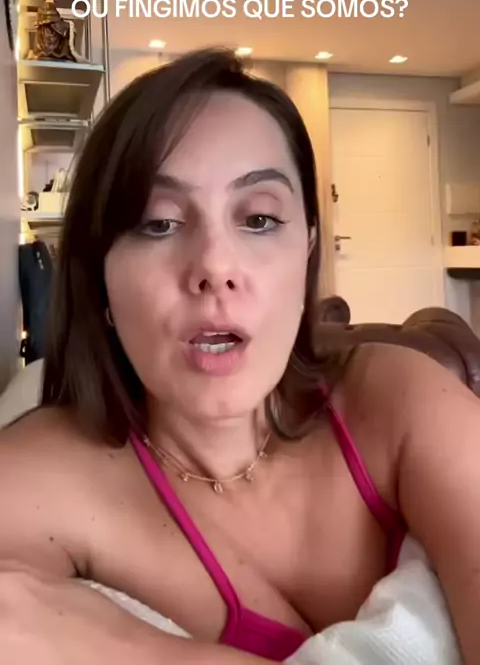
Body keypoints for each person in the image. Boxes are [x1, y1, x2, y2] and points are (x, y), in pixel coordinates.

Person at [0, 47, 479, 665]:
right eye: (158, 222)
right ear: (99, 277)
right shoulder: (48, 476)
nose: (215, 267)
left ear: (307, 250)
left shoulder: (399, 398)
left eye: (258, 219)